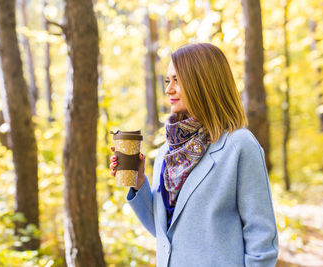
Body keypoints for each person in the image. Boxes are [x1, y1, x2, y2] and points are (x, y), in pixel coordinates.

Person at [110, 43, 278, 267]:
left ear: (203, 83)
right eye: (168, 80)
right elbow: (164, 234)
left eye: (177, 80)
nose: (169, 89)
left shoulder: (239, 146)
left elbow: (262, 239)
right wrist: (139, 182)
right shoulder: (166, 154)